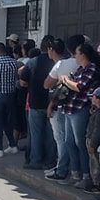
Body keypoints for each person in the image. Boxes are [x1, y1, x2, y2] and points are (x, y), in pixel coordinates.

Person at [56, 41, 100, 188]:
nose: (74, 55)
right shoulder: (79, 70)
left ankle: (86, 176)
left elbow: (80, 87)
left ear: (83, 54)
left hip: (79, 109)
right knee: (69, 142)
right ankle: (75, 173)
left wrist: (66, 80)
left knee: (80, 143)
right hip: (69, 108)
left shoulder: (91, 68)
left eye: (77, 53)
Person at [19, 35, 56, 170]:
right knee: (51, 135)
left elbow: (23, 82)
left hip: (35, 102)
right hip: (52, 103)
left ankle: (36, 160)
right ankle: (50, 161)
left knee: (35, 135)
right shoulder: (56, 62)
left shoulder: (32, 62)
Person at [43, 38, 79, 181]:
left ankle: (62, 168)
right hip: (77, 106)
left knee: (60, 138)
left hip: (60, 105)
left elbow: (47, 84)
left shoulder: (61, 64)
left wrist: (59, 80)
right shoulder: (80, 64)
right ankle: (72, 169)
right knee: (73, 140)